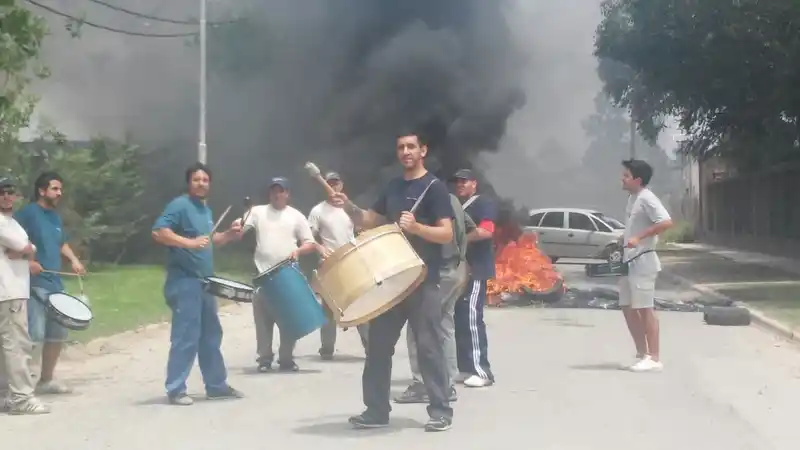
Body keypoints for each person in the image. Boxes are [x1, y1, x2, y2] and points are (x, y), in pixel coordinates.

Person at [332, 130, 455, 432]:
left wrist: (417, 227)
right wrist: (346, 204)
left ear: (423, 151)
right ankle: (376, 410)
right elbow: (367, 220)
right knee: (378, 347)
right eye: (401, 147)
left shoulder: (434, 188)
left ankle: (440, 410)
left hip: (423, 280)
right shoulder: (394, 186)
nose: (405, 151)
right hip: (392, 279)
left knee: (428, 347)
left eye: (411, 146)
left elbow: (446, 234)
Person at [151, 162, 244, 405]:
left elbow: (211, 241)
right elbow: (158, 232)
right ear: (188, 183)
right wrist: (188, 243)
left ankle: (216, 385)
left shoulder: (205, 209)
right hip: (184, 282)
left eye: (205, 180)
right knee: (186, 336)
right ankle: (176, 389)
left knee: (211, 335)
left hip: (205, 283)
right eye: (196, 179)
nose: (201, 183)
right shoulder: (180, 205)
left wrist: (230, 235)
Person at [394, 191, 474, 404]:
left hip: (440, 271)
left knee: (419, 327)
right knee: (445, 326)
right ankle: (448, 384)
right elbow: (469, 227)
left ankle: (422, 383)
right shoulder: (452, 199)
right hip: (457, 267)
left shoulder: (428, 200)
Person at [235, 177, 318, 373]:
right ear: (269, 193)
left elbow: (310, 243)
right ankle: (264, 359)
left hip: (287, 272)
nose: (277, 194)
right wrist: (237, 226)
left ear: (287, 193)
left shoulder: (296, 216)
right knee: (263, 320)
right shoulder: (257, 212)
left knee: (288, 317)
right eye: (274, 190)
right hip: (263, 274)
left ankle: (286, 358)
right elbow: (241, 226)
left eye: (281, 190)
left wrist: (298, 251)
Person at [14, 172, 85, 395]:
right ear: (41, 191)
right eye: (55, 189)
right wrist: (29, 262)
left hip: (55, 285)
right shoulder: (27, 214)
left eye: (60, 189)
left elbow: (61, 242)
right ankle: (15, 386)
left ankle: (46, 380)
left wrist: (74, 260)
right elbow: (12, 241)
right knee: (32, 335)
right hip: (33, 284)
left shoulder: (54, 217)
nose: (59, 193)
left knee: (57, 335)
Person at [0, 177, 50, 414]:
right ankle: (21, 397)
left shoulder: (11, 222)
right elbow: (26, 247)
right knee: (17, 345)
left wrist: (25, 251)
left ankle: (7, 395)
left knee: (7, 346)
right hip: (8, 291)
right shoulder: (1, 222)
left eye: (10, 192)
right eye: (2, 193)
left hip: (14, 289)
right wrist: (26, 251)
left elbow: (29, 247)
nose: (6, 197)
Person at [618, 159, 673, 372]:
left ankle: (654, 357)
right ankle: (642, 352)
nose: (622, 179)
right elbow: (634, 226)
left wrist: (639, 237)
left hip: (644, 262)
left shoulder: (647, 198)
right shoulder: (633, 199)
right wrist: (624, 238)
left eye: (626, 175)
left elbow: (666, 222)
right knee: (627, 306)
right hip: (629, 262)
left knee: (644, 309)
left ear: (637, 180)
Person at [307, 172, 368, 360]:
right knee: (328, 308)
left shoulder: (349, 209)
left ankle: (370, 347)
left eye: (336, 183)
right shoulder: (318, 211)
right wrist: (319, 248)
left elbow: (363, 226)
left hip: (351, 261)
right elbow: (308, 236)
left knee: (359, 304)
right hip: (330, 263)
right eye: (330, 183)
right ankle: (327, 348)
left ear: (341, 185)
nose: (333, 186)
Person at [451, 169, 498, 388]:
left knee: (471, 319)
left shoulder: (482, 203)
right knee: (459, 319)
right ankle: (466, 367)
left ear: (474, 184)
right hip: (460, 271)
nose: (460, 184)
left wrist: (460, 240)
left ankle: (482, 370)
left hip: (476, 269)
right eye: (457, 181)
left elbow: (486, 231)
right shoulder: (457, 206)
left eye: (464, 181)